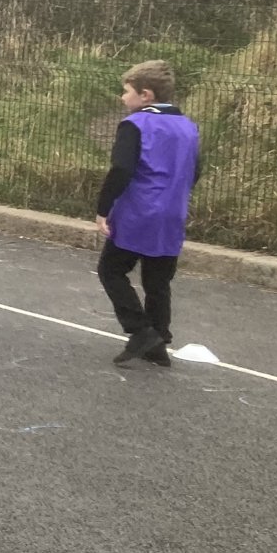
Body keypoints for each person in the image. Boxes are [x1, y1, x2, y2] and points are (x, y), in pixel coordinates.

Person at [95, 59, 200, 367]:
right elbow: (196, 170)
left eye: (126, 91)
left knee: (111, 269)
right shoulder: (188, 127)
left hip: (139, 211)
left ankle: (140, 330)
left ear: (146, 96)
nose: (122, 97)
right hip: (173, 212)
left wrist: (103, 209)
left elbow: (122, 169)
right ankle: (158, 343)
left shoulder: (135, 124)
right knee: (157, 280)